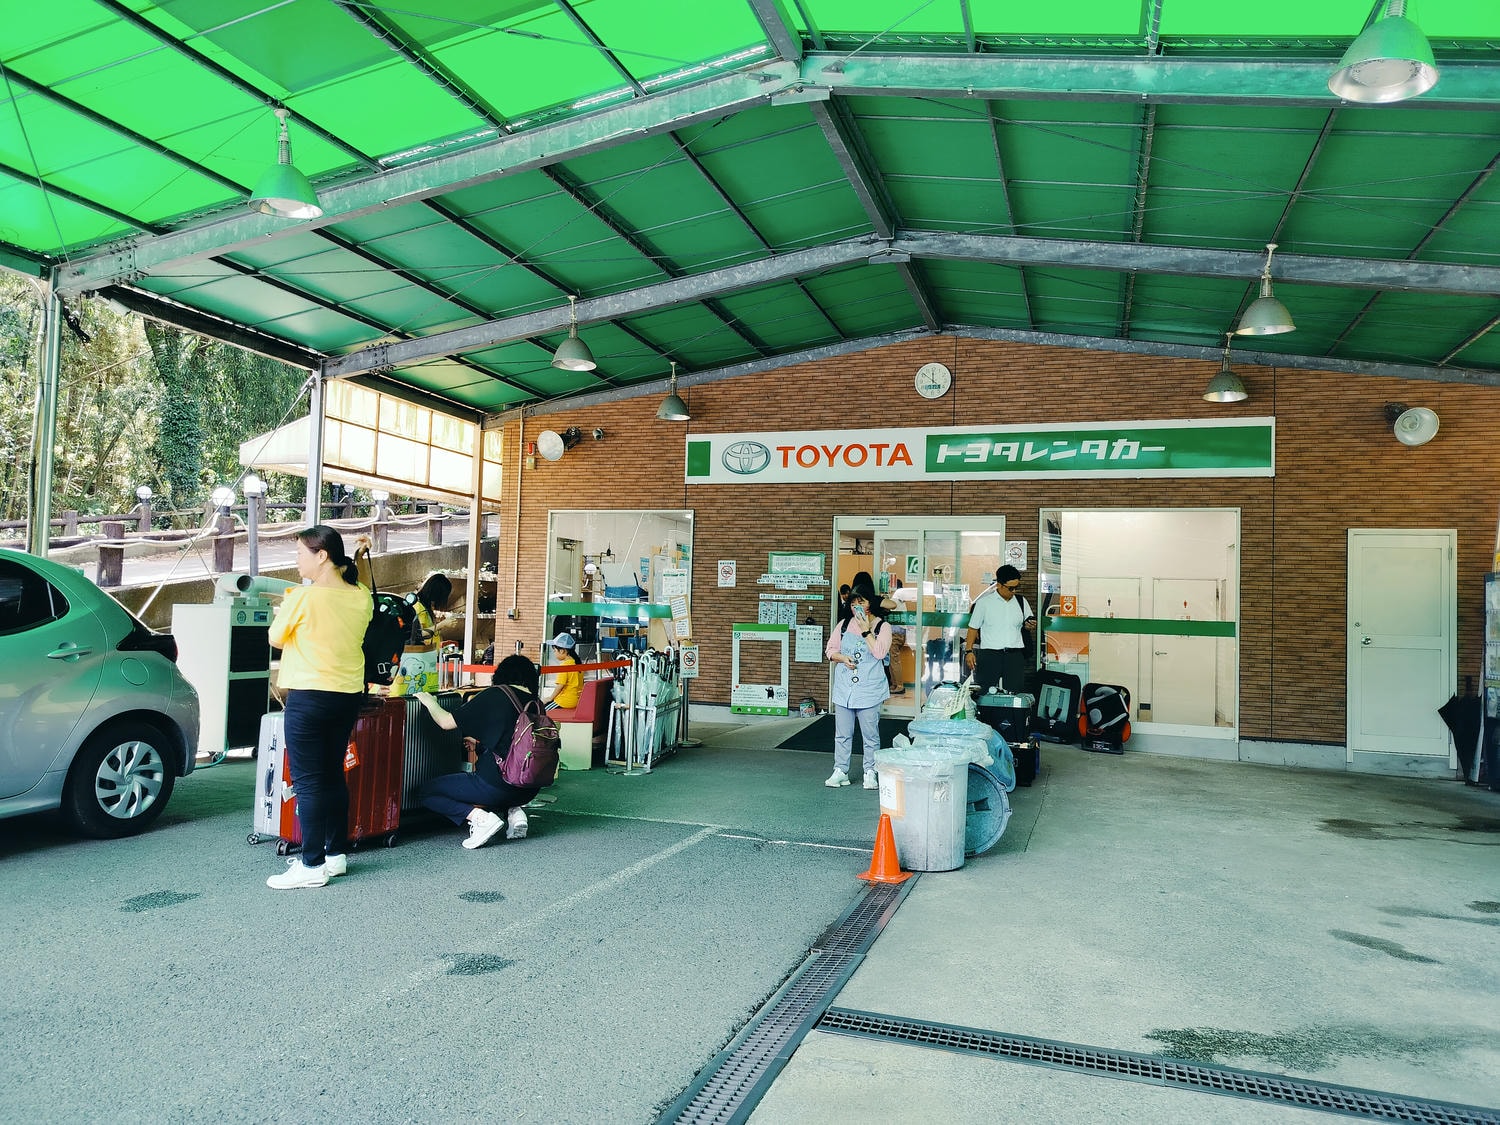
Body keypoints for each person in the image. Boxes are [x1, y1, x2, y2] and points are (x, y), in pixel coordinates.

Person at [265, 526, 374, 890]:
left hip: (309, 696)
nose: (296, 561)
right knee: (331, 775)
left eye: (299, 554)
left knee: (309, 781)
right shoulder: (360, 596)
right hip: (345, 696)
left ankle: (311, 865)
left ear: (322, 555)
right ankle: (335, 855)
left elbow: (276, 637)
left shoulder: (302, 598)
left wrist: (285, 610)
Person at [413, 654, 543, 848]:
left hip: (497, 787)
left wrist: (429, 701)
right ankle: (515, 813)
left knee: (426, 792)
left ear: (501, 674)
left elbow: (446, 722)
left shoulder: (497, 694)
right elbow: (511, 744)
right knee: (498, 786)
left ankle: (480, 819)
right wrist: (478, 743)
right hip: (529, 789)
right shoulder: (536, 704)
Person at [824, 582, 891, 790]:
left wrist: (865, 631)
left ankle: (870, 772)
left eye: (861, 601)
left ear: (870, 603)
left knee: (870, 735)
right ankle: (840, 770)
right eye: (853, 603)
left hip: (869, 690)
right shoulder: (843, 625)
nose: (856, 606)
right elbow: (829, 650)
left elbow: (879, 653)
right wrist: (842, 657)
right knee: (842, 734)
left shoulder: (882, 627)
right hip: (845, 689)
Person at [965, 564, 1036, 693]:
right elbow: (973, 628)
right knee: (984, 693)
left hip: (1014, 656)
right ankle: (986, 714)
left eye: (1016, 587)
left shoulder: (1021, 601)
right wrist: (968, 651)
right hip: (990, 655)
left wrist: (1029, 625)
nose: (1014, 591)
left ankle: (1011, 714)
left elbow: (1028, 621)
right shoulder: (984, 603)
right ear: (999, 585)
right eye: (1010, 588)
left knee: (1015, 696)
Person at [541, 632, 582, 711]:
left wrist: (550, 698)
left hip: (565, 701)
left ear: (562, 650)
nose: (554, 653)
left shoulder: (565, 665)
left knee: (542, 711)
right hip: (576, 700)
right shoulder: (577, 663)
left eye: (555, 650)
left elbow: (560, 685)